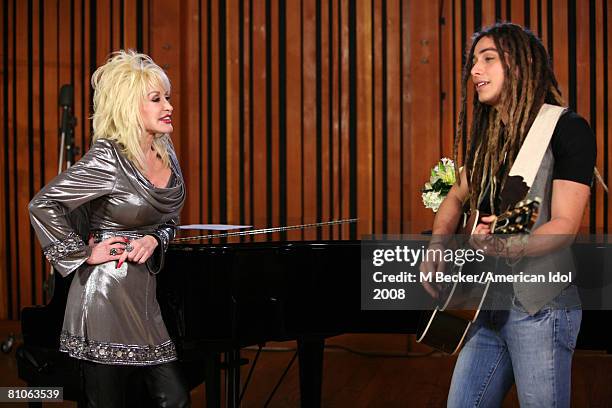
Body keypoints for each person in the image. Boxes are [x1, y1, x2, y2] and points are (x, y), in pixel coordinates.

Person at [420, 23, 596, 407]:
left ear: (520, 65)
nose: (474, 72)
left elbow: (565, 225)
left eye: (488, 60)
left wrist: (510, 244)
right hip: (489, 307)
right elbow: (454, 196)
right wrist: (437, 246)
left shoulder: (567, 129)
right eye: (473, 63)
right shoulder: (491, 139)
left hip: (541, 308)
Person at [29, 50, 190, 407]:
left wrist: (154, 238)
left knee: (175, 399)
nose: (169, 106)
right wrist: (83, 252)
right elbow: (43, 204)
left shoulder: (167, 153)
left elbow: (169, 220)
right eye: (156, 98)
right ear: (130, 106)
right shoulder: (108, 159)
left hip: (144, 296)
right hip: (104, 296)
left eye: (167, 97)